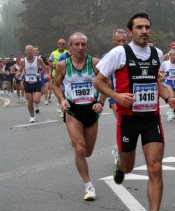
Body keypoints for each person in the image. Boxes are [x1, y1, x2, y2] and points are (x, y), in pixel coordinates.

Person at [93, 12, 175, 211]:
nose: (144, 31)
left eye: (147, 27)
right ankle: (119, 166)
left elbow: (155, 80)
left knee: (155, 167)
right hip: (127, 119)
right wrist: (116, 96)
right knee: (128, 167)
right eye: (139, 27)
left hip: (151, 118)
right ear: (130, 32)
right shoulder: (119, 53)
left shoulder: (158, 53)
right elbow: (98, 81)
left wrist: (166, 98)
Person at [52, 32, 107, 201]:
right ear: (70, 47)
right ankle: (88, 186)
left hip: (91, 110)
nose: (80, 48)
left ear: (87, 47)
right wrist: (62, 100)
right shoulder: (63, 65)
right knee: (80, 149)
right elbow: (55, 85)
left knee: (88, 152)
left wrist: (101, 102)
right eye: (76, 44)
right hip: (73, 110)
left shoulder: (95, 63)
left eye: (83, 44)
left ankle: (76, 142)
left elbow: (108, 83)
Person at [105, 29, 128, 164]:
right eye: (118, 41)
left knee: (129, 124)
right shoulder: (108, 55)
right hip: (114, 94)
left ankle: (120, 147)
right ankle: (118, 149)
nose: (121, 43)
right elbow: (99, 78)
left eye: (124, 41)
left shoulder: (131, 54)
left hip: (128, 94)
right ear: (113, 41)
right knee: (121, 120)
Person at [16, 46, 47, 122]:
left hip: (36, 82)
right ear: (25, 51)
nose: (29, 51)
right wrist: (18, 74)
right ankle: (32, 116)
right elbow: (19, 71)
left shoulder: (38, 60)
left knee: (36, 100)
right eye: (27, 50)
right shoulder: (23, 61)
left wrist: (40, 73)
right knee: (30, 101)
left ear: (33, 51)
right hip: (27, 82)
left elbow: (45, 67)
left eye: (30, 50)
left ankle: (36, 105)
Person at [49, 39, 68, 113]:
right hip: (56, 74)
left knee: (64, 91)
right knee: (60, 89)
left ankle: (61, 102)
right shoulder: (54, 53)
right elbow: (49, 61)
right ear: (57, 44)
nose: (61, 45)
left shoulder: (67, 53)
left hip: (65, 74)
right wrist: (52, 65)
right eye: (60, 43)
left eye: (63, 43)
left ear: (65, 45)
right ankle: (60, 104)